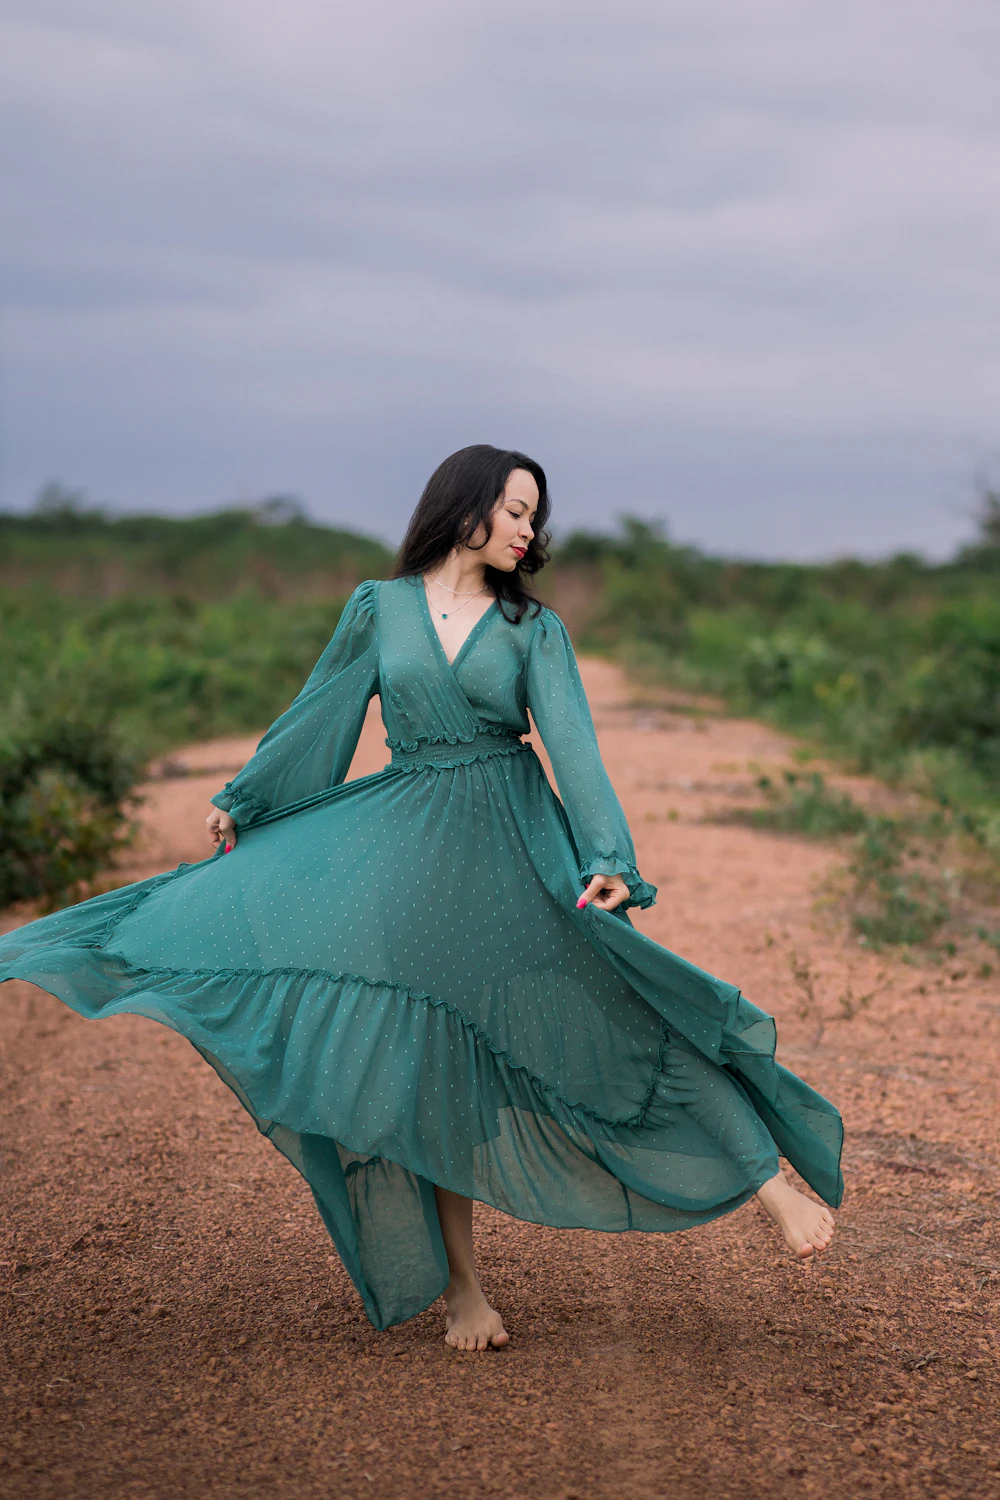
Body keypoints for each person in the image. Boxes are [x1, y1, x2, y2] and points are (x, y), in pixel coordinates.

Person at [0, 444, 840, 1353]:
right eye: (516, 510)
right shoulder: (379, 608)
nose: (530, 529)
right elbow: (321, 711)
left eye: (534, 515)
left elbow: (574, 747)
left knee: (626, 1008)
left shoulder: (533, 628)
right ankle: (464, 1292)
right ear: (467, 505)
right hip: (414, 855)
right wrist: (247, 798)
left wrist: (609, 858)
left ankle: (768, 1183)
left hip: (518, 849)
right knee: (430, 1069)